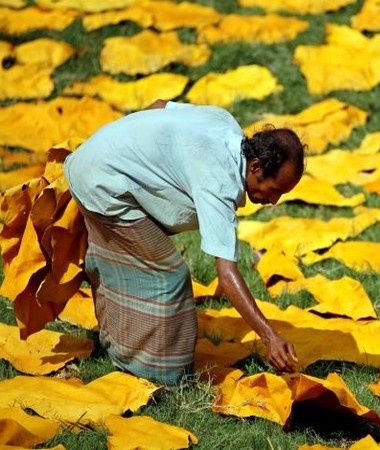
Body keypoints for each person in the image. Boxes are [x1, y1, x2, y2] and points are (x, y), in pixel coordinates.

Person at [63, 99, 305, 385]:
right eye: (274, 190)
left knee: (130, 255)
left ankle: (113, 330)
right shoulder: (221, 182)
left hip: (93, 156)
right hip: (101, 184)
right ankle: (157, 375)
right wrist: (270, 336)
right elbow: (226, 276)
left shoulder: (225, 124)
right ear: (255, 166)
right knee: (169, 275)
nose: (274, 201)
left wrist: (128, 147)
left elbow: (159, 105)